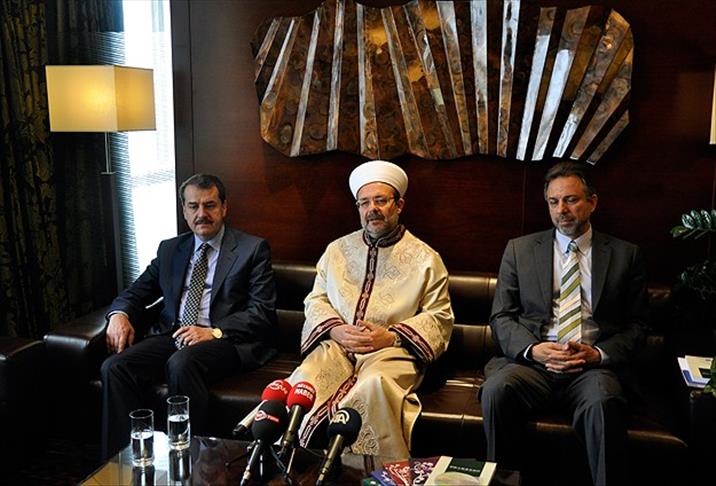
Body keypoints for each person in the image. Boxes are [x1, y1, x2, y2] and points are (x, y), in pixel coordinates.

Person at [479, 161, 648, 486]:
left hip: (591, 369)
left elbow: (639, 325)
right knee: (497, 391)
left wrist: (597, 354)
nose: (562, 210)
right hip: (533, 367)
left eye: (571, 200)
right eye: (554, 202)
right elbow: (501, 316)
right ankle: (503, 483)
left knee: (603, 402)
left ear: (592, 202)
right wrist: (534, 350)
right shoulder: (520, 250)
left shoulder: (625, 255)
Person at [100, 173, 277, 459]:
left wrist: (213, 332)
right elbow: (136, 292)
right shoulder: (170, 249)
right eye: (193, 206)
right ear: (184, 211)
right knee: (115, 367)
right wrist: (119, 314)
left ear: (224, 208)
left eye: (210, 205)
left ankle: (192, 459)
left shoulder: (252, 249)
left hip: (225, 340)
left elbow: (262, 312)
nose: (201, 214)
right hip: (174, 334)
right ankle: (124, 461)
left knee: (181, 363)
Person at [287, 160, 454, 458]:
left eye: (380, 201)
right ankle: (292, 463)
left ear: (399, 205)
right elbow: (316, 299)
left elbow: (439, 316)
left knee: (372, 386)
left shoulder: (426, 258)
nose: (371, 209)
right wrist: (335, 330)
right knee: (306, 379)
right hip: (336, 348)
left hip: (392, 353)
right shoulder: (336, 251)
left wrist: (391, 337)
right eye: (364, 203)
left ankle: (367, 473)